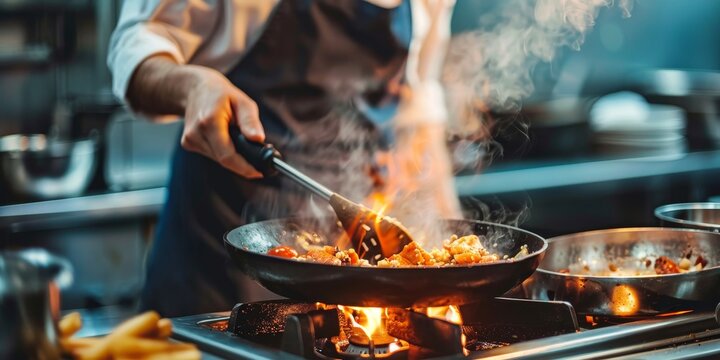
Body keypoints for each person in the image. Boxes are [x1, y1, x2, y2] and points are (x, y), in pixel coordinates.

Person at [108, 0, 461, 317]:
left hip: (352, 275)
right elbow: (137, 48)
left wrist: (455, 269)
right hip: (225, 244)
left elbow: (419, 114)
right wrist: (192, 87)